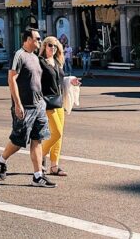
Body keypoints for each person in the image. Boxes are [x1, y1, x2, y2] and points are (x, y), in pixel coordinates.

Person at [0, 27, 55, 188]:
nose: (39, 41)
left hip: (39, 105)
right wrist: (18, 104)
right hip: (25, 106)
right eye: (36, 39)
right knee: (19, 140)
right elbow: (11, 79)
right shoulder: (19, 55)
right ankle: (1, 159)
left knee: (37, 139)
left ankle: (37, 176)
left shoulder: (35, 57)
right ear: (27, 40)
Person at [39, 36, 80, 178]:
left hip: (58, 101)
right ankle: (40, 155)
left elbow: (61, 80)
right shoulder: (40, 62)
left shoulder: (57, 62)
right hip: (46, 102)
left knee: (59, 136)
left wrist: (71, 81)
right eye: (50, 45)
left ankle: (54, 166)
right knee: (56, 133)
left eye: (55, 46)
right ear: (44, 46)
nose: (53, 48)